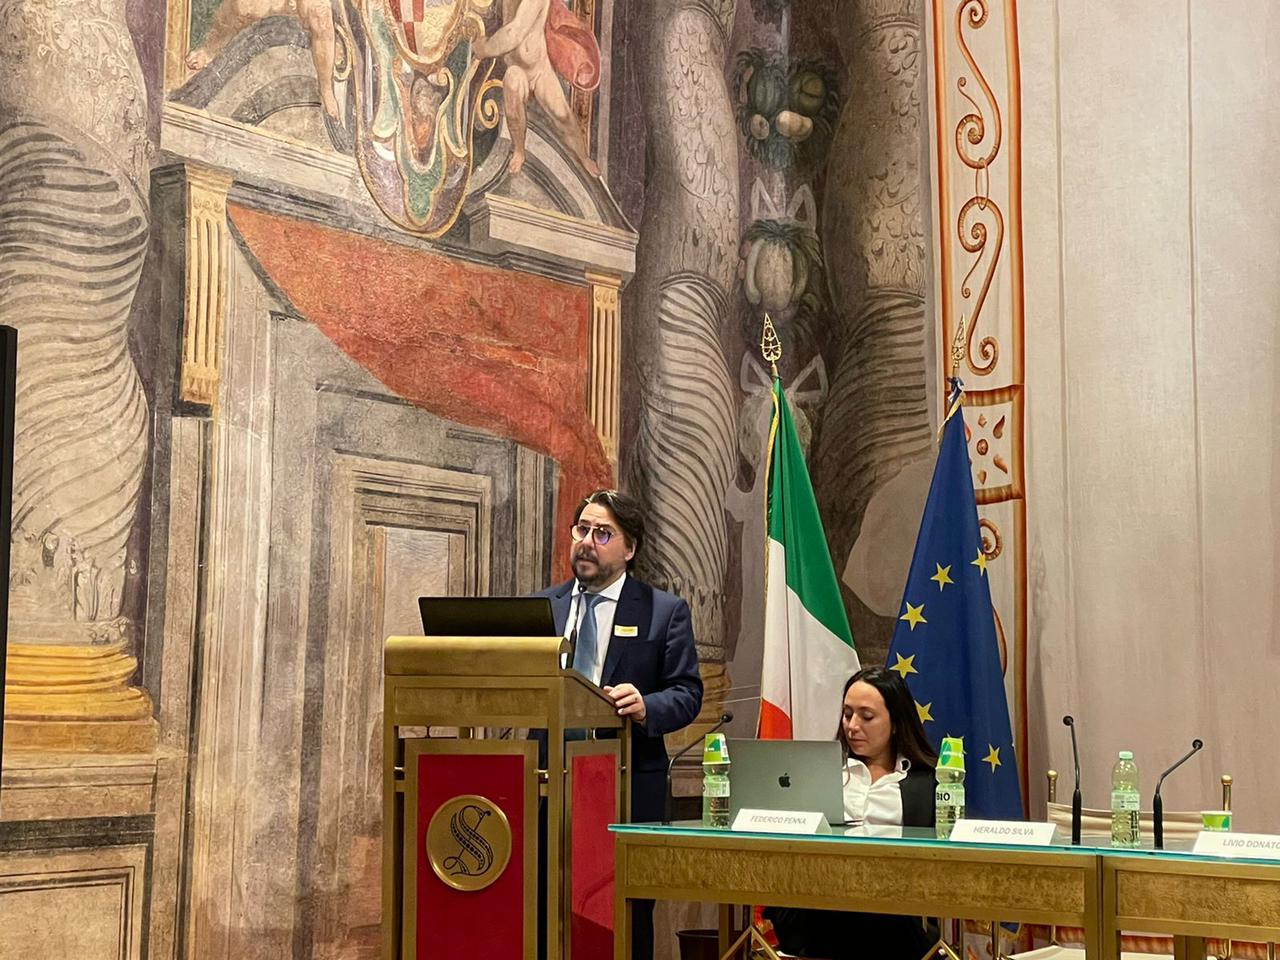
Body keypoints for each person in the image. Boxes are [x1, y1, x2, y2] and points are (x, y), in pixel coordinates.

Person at [538, 488, 703, 960]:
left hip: (626, 787)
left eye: (603, 533)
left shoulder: (662, 611)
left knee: (623, 918)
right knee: (545, 905)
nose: (587, 542)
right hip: (547, 785)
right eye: (582, 530)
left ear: (629, 548)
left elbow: (688, 693)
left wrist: (648, 705)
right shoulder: (543, 608)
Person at [765, 667, 938, 960]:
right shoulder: (823, 773)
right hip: (824, 906)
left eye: (866, 717)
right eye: (847, 714)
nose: (852, 726)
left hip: (897, 912)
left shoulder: (928, 783)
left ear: (896, 722)